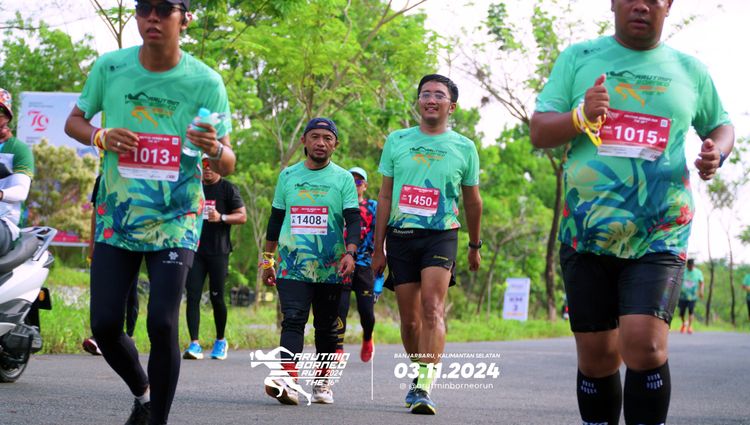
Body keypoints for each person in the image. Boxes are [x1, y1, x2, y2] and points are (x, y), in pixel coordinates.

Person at [529, 1, 734, 424]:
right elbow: (539, 130)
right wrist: (580, 116)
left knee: (645, 345)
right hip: (586, 230)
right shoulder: (579, 57)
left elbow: (721, 125)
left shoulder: (689, 70)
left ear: (668, 6)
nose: (641, 4)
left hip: (660, 230)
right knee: (597, 357)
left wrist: (717, 150)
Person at [64, 0, 236, 423]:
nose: (152, 18)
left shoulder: (206, 81)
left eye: (164, 9)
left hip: (176, 219)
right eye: (144, 8)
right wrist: (101, 135)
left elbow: (229, 161)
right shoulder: (111, 67)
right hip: (118, 214)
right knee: (105, 325)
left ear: (185, 18)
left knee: (162, 322)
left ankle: (157, 419)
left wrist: (214, 147)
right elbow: (74, 121)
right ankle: (143, 394)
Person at [372, 74, 483, 415]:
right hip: (402, 236)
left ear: (452, 106)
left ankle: (424, 385)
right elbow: (385, 196)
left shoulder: (464, 147)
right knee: (410, 322)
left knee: (433, 307)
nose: (431, 99)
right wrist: (377, 248)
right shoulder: (397, 140)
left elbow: (473, 201)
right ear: (418, 101)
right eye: (425, 94)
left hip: (441, 233)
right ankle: (420, 371)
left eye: (439, 95)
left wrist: (475, 245)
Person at [261, 117, 360, 406]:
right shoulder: (288, 176)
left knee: (326, 327)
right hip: (292, 264)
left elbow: (353, 219)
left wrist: (351, 252)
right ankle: (288, 380)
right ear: (304, 140)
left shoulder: (343, 179)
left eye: (327, 138)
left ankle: (322, 382)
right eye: (315, 136)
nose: (320, 143)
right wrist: (268, 259)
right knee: (293, 319)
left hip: (331, 267)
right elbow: (276, 219)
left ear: (335, 145)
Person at [183, 159, 246, 361]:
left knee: (217, 297)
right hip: (195, 250)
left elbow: (242, 216)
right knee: (192, 295)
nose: (207, 169)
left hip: (219, 251)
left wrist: (221, 217)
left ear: (218, 167)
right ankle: (194, 343)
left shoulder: (228, 188)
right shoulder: (194, 187)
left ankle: (220, 340)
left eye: (211, 166)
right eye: (204, 166)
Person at [82, 175, 140, 356]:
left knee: (129, 290)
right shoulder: (103, 178)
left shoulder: (138, 175)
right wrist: (92, 246)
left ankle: (128, 335)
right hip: (107, 239)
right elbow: (96, 212)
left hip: (133, 241)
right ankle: (100, 336)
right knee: (103, 290)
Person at [335, 166, 383, 362]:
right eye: (351, 181)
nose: (355, 185)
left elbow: (382, 236)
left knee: (366, 313)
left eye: (358, 181)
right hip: (342, 264)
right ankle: (337, 348)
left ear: (365, 186)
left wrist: (380, 270)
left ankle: (367, 337)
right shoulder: (338, 206)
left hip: (365, 264)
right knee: (340, 308)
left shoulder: (373, 207)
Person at [0, 88, 34, 257]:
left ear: (7, 117)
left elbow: (21, 191)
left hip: (5, 224)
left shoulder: (19, 149)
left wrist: (1, 194)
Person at [677, 259, 704, 334]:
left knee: (691, 311)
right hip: (682, 296)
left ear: (693, 265)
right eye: (689, 266)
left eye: (692, 266)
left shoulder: (698, 272)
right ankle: (684, 323)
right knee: (681, 313)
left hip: (693, 296)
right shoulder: (683, 271)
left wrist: (701, 291)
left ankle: (689, 327)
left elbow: (701, 282)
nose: (690, 267)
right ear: (687, 265)